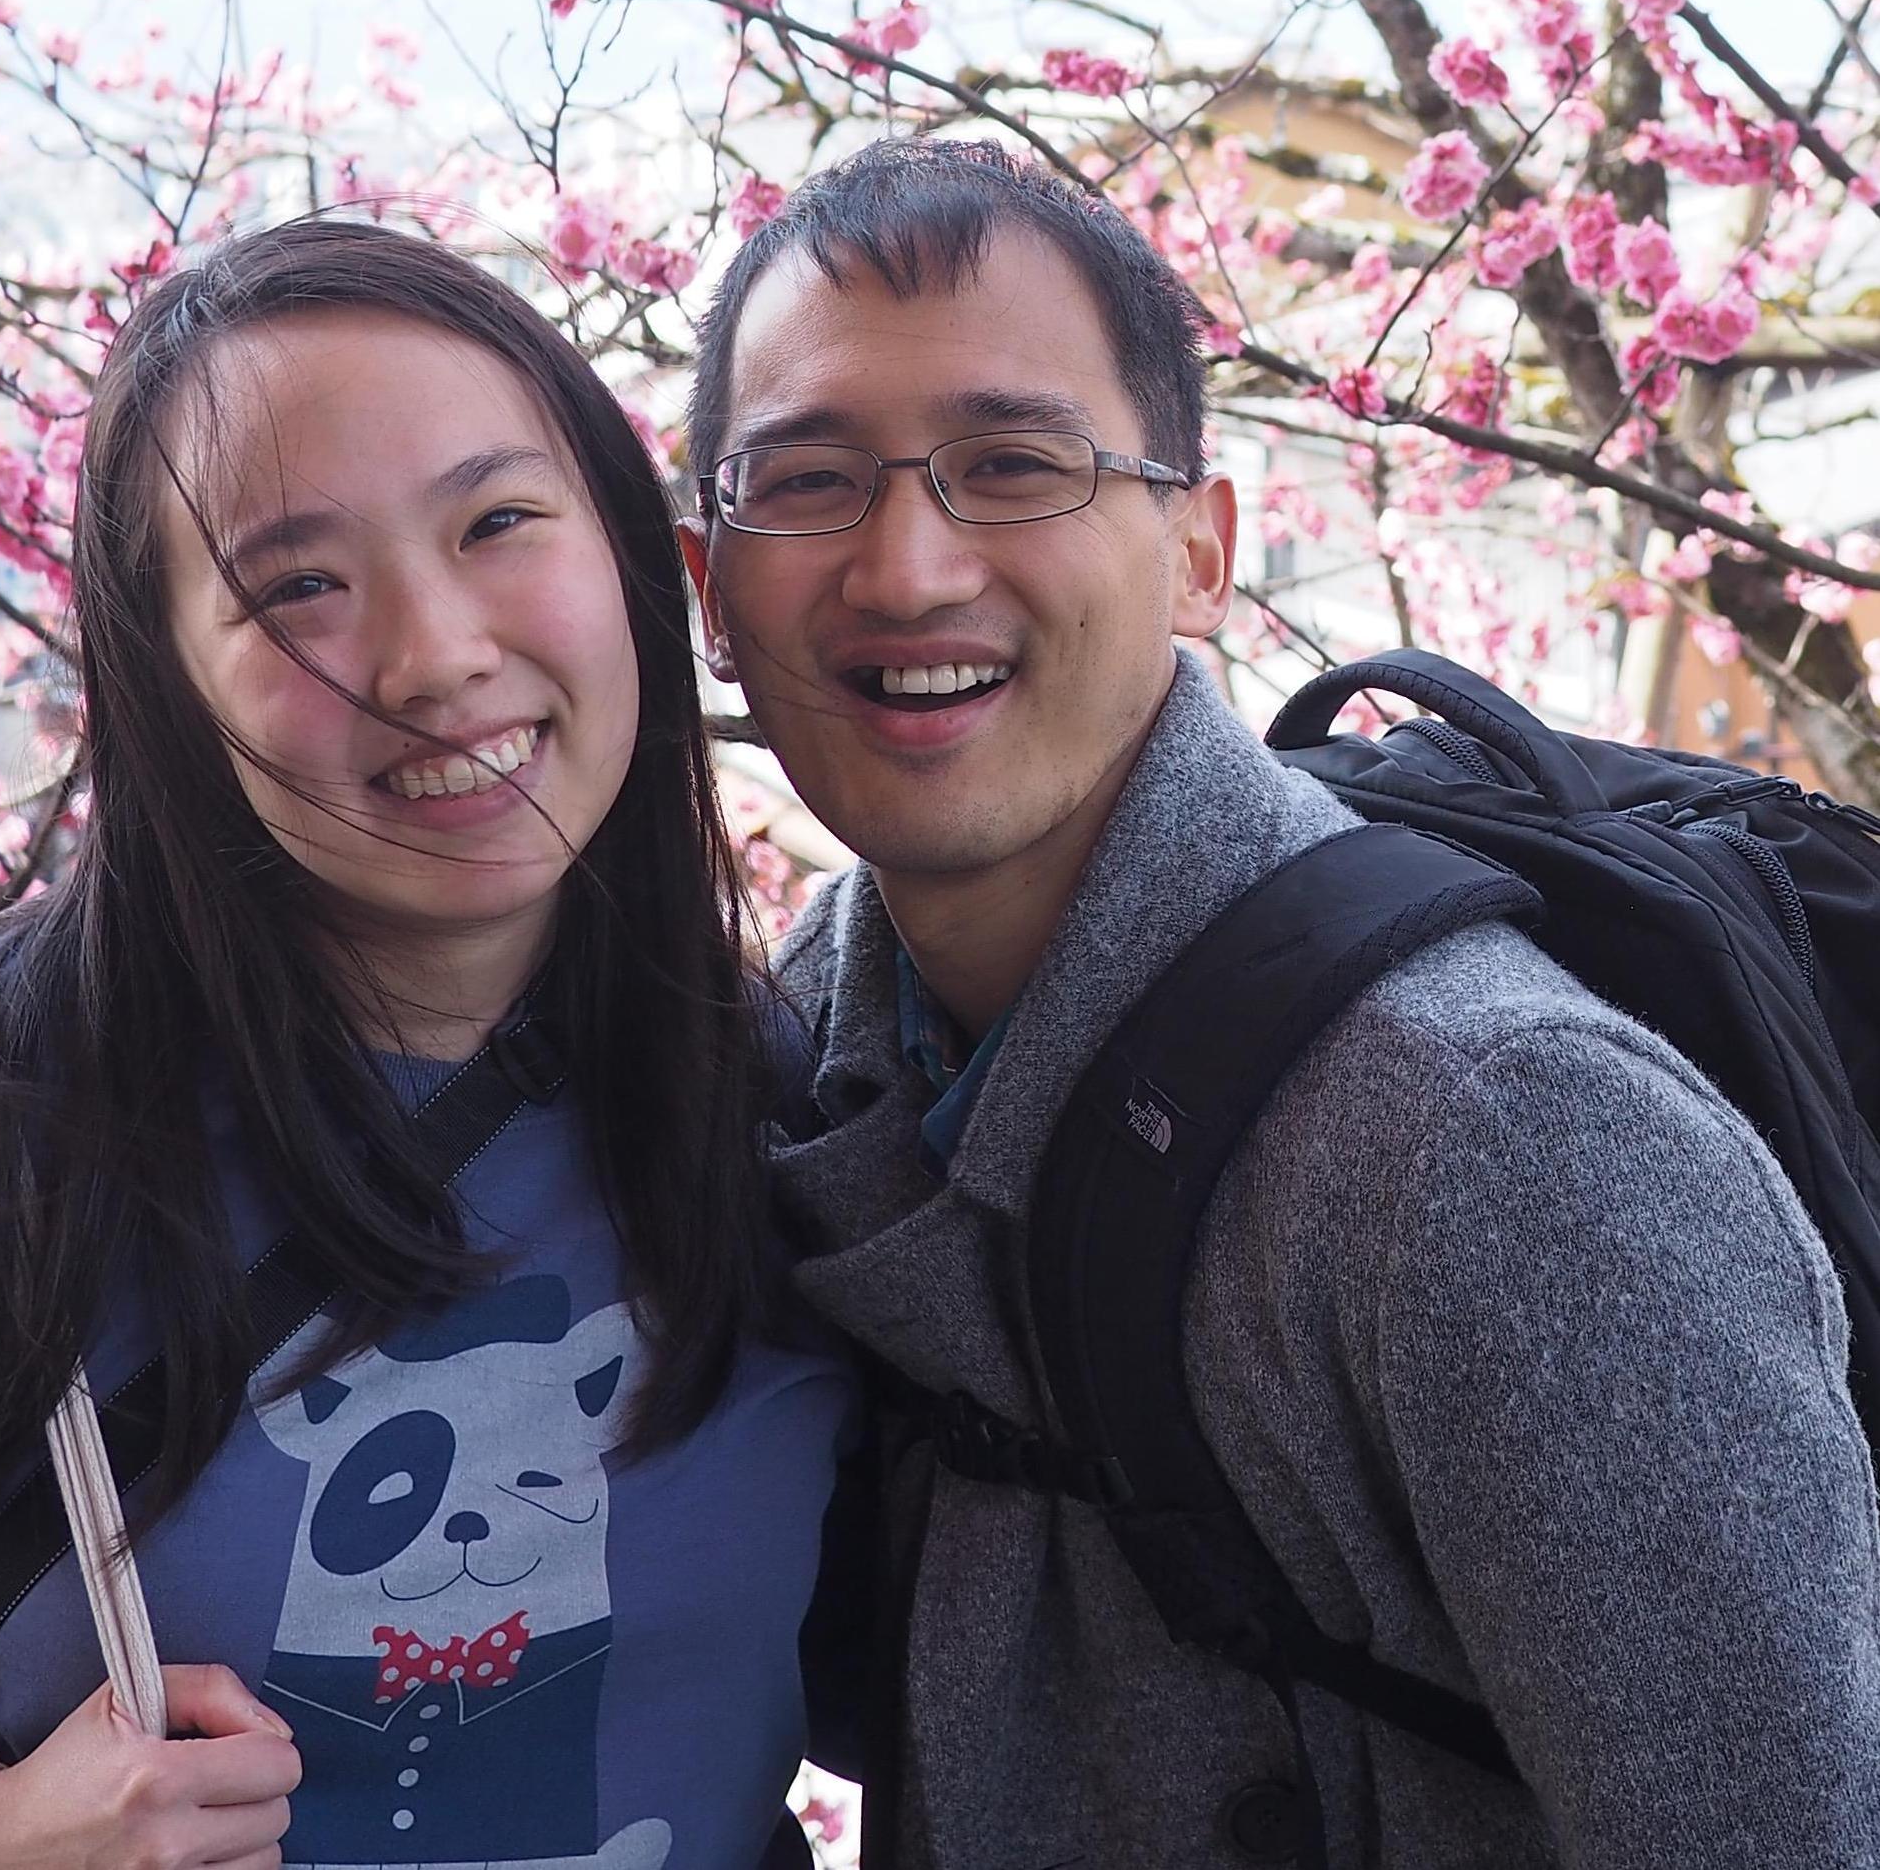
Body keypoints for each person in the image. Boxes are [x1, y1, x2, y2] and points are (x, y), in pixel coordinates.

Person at [680, 136, 1880, 1867]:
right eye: (808, 481)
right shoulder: (814, 1043)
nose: (909, 569)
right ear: (711, 593)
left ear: (1200, 552)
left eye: (1014, 465)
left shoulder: (1501, 1142)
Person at [0, 217, 853, 1870]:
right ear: (164, 681)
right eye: (299, 585)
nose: (438, 655)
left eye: (499, 521)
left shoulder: (787, 1101)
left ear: (641, 568)